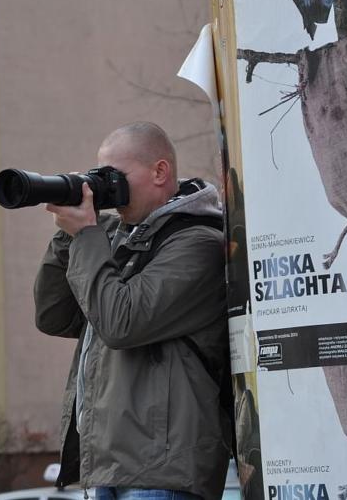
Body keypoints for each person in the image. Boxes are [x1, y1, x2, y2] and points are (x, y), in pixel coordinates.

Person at [34, 122, 230, 500]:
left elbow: (121, 322)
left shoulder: (198, 243)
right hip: (108, 464)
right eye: (100, 175)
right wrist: (67, 237)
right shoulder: (113, 240)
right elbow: (54, 316)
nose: (107, 188)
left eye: (116, 176)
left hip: (161, 470)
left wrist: (87, 237)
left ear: (160, 171)